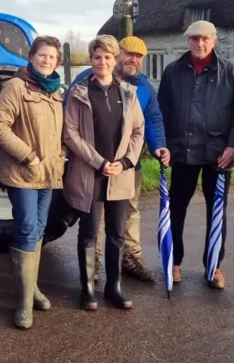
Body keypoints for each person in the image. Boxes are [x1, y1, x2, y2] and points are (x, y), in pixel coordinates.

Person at [69, 36, 169, 283]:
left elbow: (151, 121)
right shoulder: (84, 82)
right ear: (118, 55)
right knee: (96, 219)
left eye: (139, 56)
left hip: (127, 167)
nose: (133, 60)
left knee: (129, 213)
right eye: (129, 54)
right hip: (91, 167)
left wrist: (158, 147)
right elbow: (69, 125)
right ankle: (94, 266)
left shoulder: (143, 88)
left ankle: (130, 258)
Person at [157, 20, 234, 289]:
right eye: (194, 38)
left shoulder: (232, 72)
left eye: (205, 38)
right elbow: (162, 111)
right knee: (176, 209)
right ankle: (174, 261)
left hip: (218, 155)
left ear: (214, 40)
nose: (199, 43)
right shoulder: (173, 71)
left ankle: (214, 265)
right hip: (181, 152)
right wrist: (163, 145)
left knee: (217, 211)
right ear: (188, 41)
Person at [63, 35, 145, 311]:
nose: (102, 62)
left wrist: (126, 162)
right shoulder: (79, 92)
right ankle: (87, 288)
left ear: (115, 59)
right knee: (89, 233)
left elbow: (138, 130)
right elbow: (70, 133)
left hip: (120, 174)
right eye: (97, 57)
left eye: (108, 57)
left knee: (117, 232)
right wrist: (99, 162)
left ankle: (114, 287)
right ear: (91, 59)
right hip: (91, 174)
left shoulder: (128, 93)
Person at [0, 35, 65, 329]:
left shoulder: (56, 93)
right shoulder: (16, 87)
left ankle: (32, 288)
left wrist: (62, 154)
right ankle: (23, 304)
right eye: (42, 55)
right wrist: (27, 155)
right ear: (31, 57)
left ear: (57, 62)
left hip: (48, 174)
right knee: (26, 228)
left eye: (52, 57)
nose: (46, 60)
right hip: (22, 173)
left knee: (40, 228)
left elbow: (60, 132)